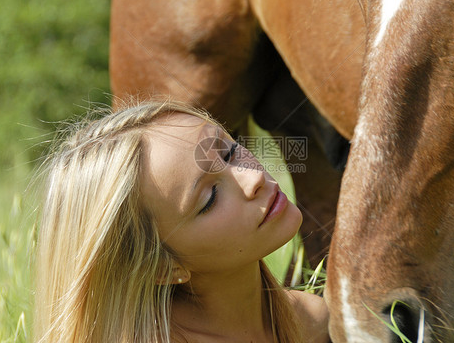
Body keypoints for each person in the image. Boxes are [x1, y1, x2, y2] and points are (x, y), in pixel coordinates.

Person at [34, 100, 329, 343]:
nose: (252, 178)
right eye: (210, 198)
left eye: (229, 151)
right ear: (163, 266)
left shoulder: (314, 321)